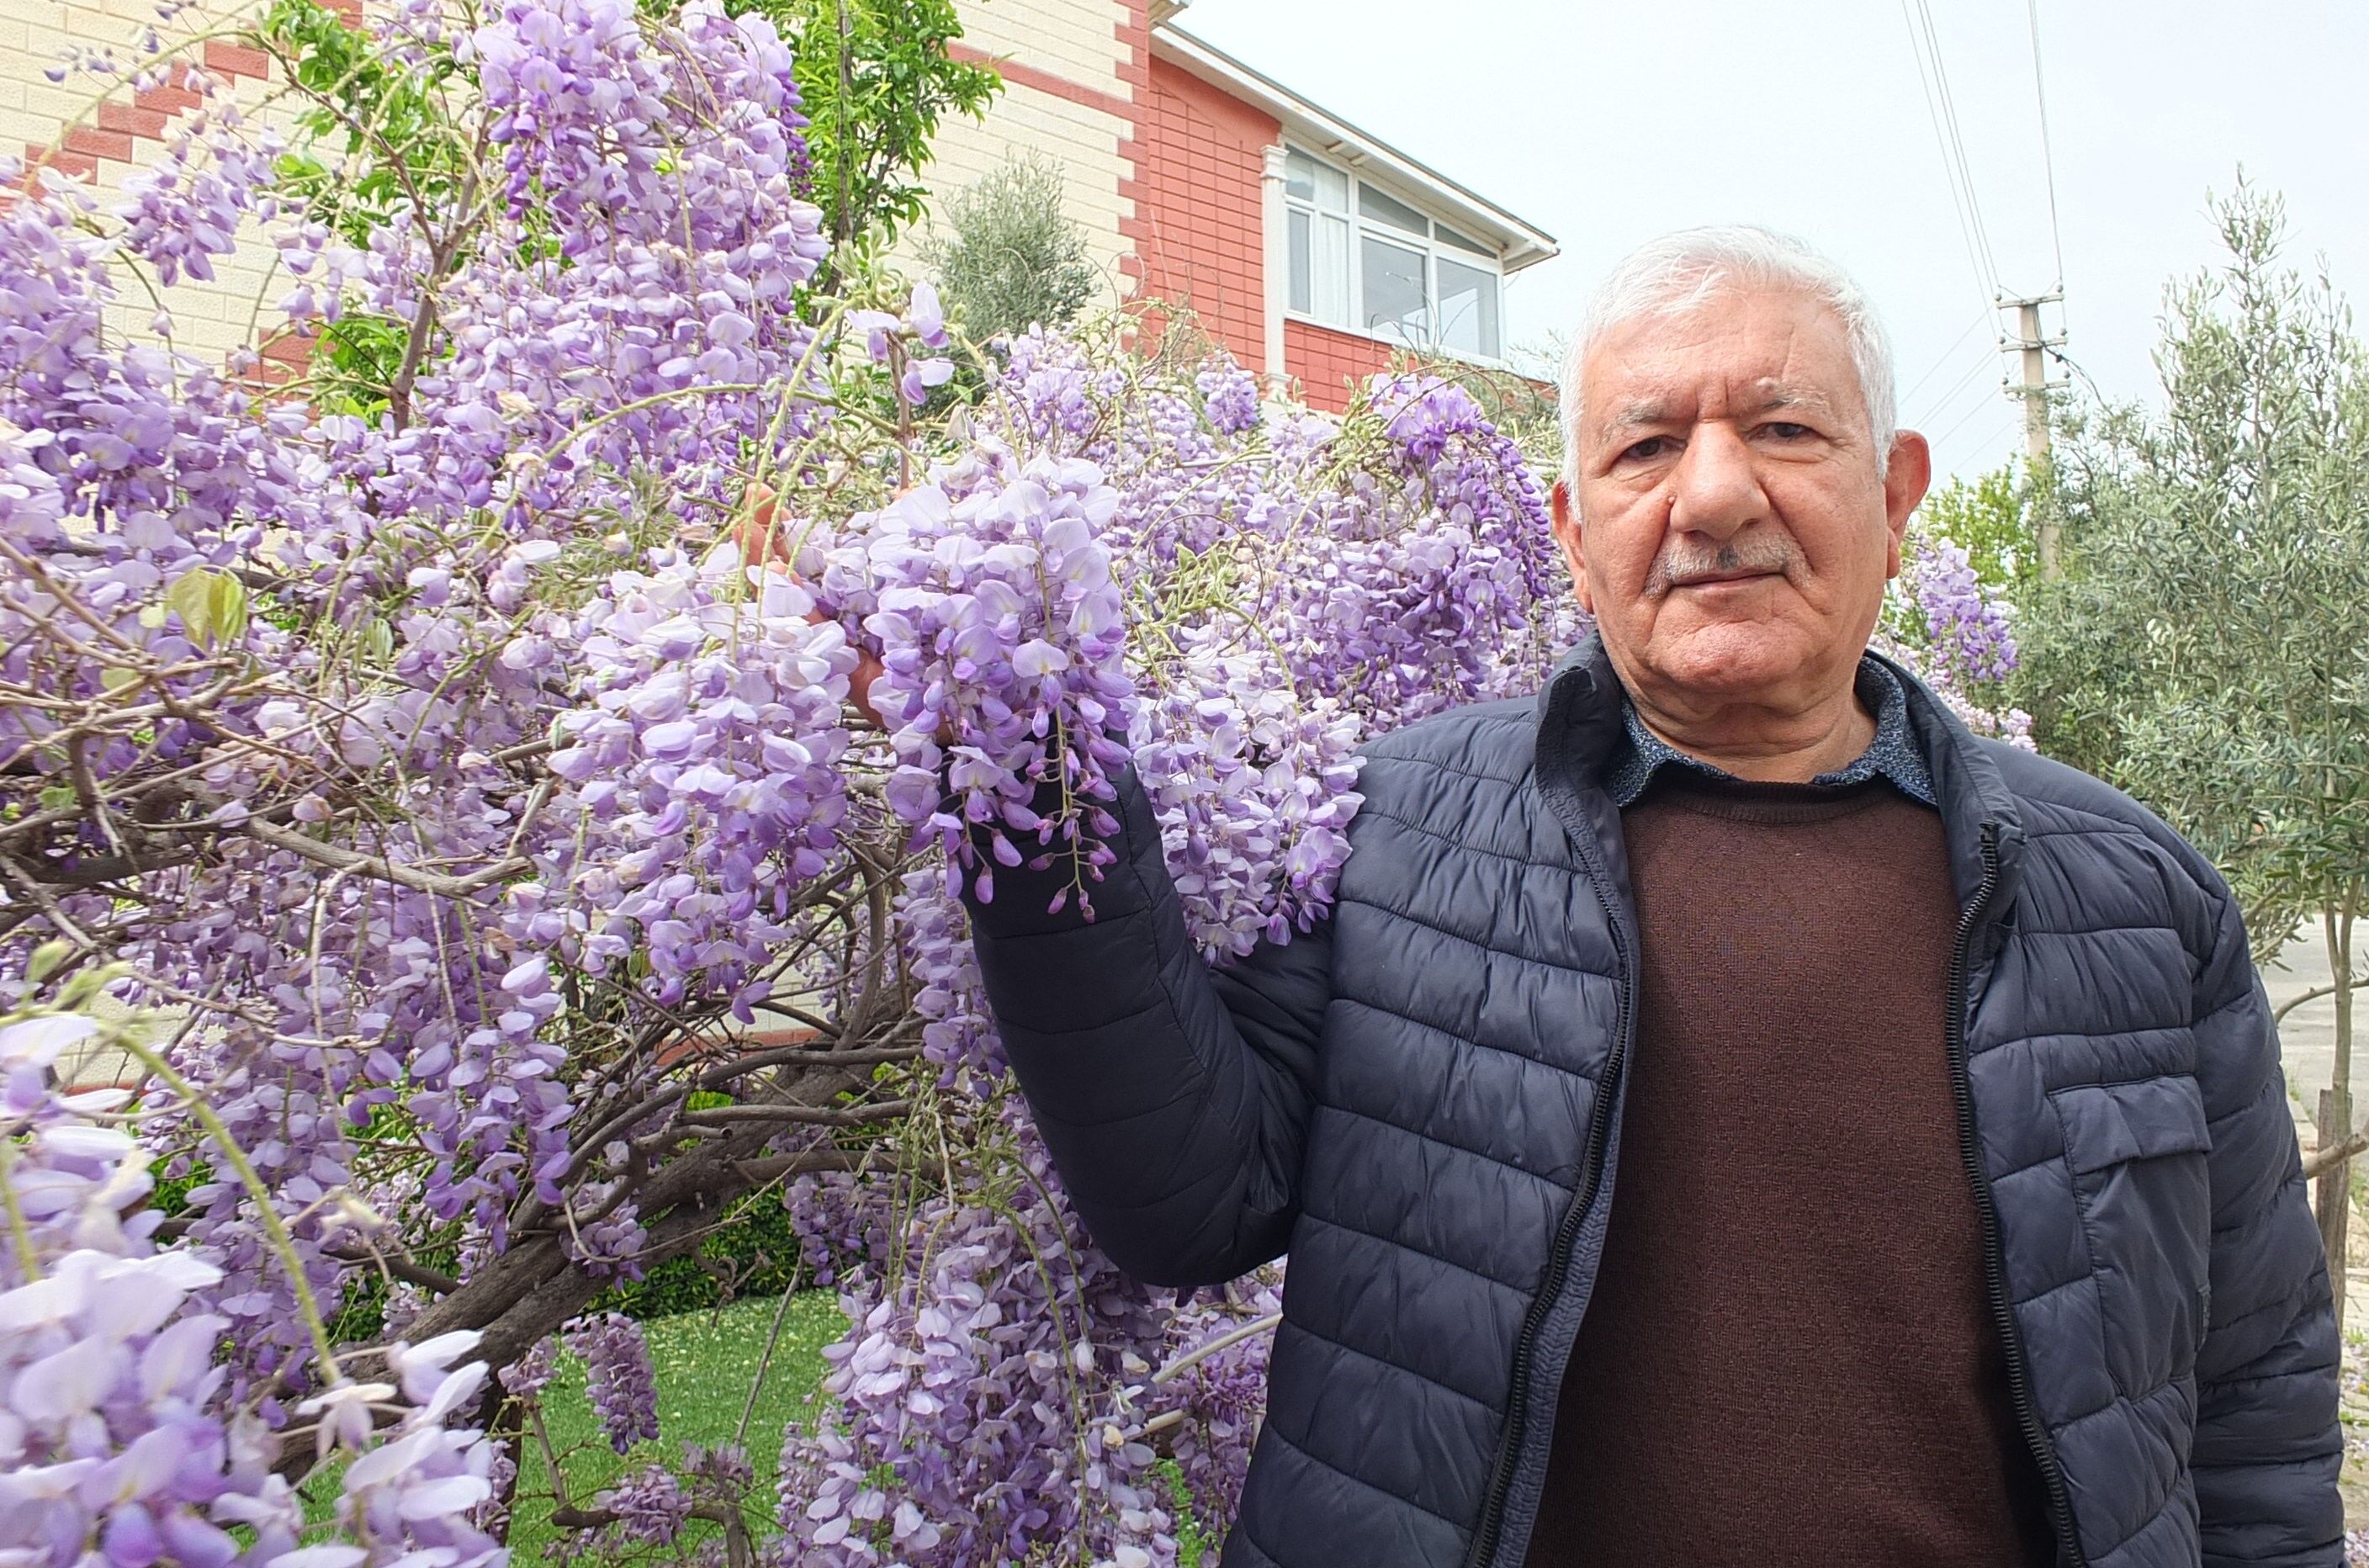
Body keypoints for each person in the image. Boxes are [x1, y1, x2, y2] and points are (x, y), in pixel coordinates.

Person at [957, 227, 2342, 1568]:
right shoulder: (1388, 824)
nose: (1717, 496)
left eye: (1788, 431)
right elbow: (1186, 1205)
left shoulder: (2130, 894)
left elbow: (2254, 1385)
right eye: (1646, 446)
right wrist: (1023, 777)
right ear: (1570, 530)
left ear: (1899, 494)